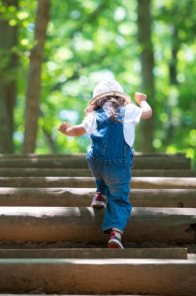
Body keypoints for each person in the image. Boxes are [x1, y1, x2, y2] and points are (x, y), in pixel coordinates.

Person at [58, 75, 152, 249]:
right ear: (121, 98)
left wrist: (67, 130)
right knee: (119, 199)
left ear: (97, 101)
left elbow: (78, 130)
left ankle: (100, 195)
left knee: (95, 157)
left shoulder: (94, 115)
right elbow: (148, 113)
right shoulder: (129, 110)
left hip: (96, 165)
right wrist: (142, 100)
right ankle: (115, 234)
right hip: (119, 167)